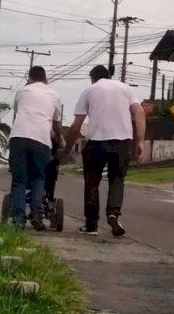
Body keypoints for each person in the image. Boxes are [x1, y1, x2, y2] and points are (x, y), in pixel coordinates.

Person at [65, 64, 145, 236]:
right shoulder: (126, 88)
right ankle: (113, 213)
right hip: (122, 141)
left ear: (93, 78)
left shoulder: (89, 91)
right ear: (109, 76)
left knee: (92, 182)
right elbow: (139, 112)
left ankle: (91, 225)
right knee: (117, 180)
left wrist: (67, 149)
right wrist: (140, 141)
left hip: (96, 142)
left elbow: (75, 127)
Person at [8, 66, 62, 229]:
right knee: (39, 177)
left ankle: (18, 219)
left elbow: (18, 115)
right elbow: (57, 124)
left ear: (29, 77)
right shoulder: (54, 95)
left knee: (19, 179)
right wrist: (58, 139)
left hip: (18, 137)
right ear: (45, 79)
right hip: (41, 139)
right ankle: (37, 214)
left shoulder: (22, 92)